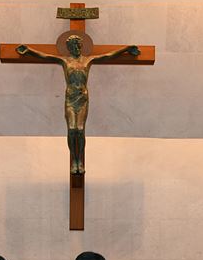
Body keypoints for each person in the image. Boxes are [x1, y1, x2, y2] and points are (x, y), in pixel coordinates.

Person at [16, 36, 140, 174]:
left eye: (78, 45)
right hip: (70, 99)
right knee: (71, 129)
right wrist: (29, 50)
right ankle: (74, 160)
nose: (76, 47)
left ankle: (79, 160)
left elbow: (108, 55)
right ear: (69, 47)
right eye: (73, 45)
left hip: (82, 99)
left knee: (80, 129)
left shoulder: (88, 60)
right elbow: (45, 56)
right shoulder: (64, 61)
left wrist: (126, 49)